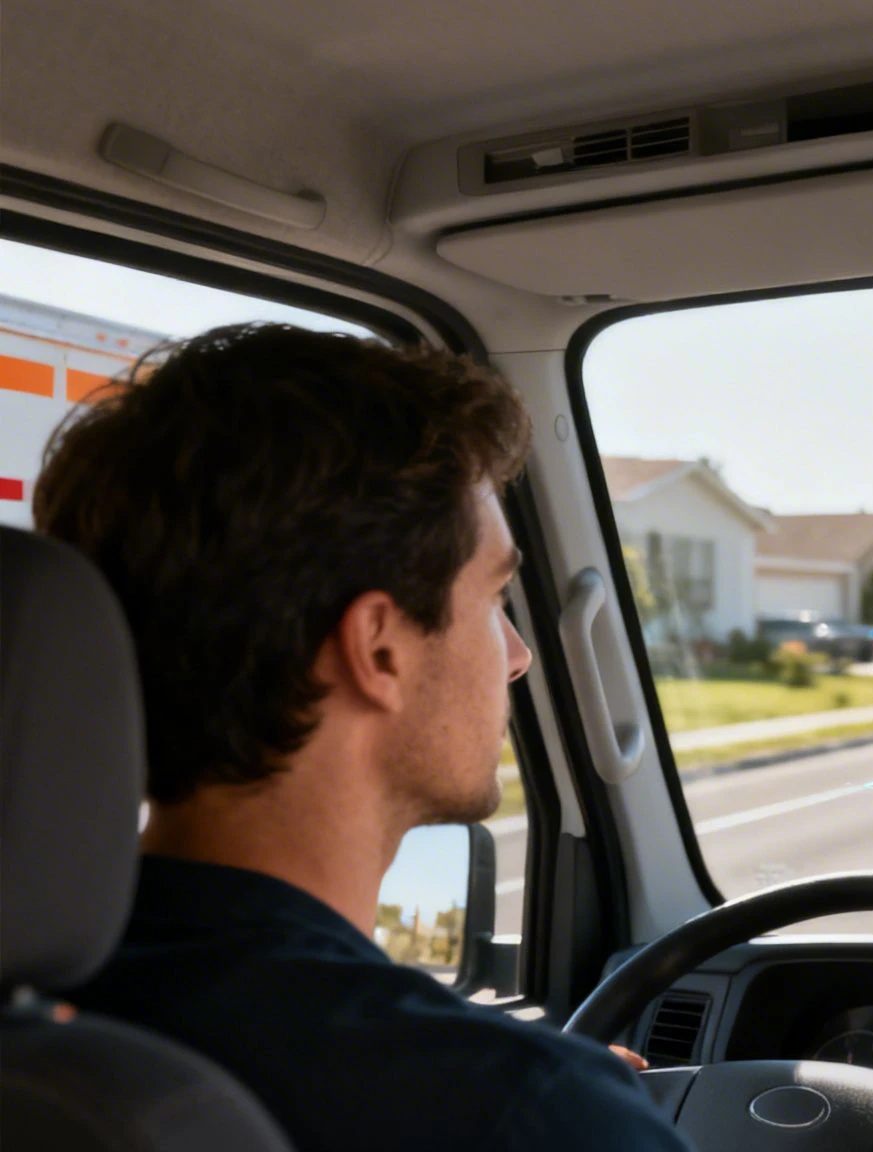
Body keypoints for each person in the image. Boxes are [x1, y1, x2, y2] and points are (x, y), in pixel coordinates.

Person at [36, 325, 690, 1152]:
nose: (519, 658)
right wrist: (568, 1108)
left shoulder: (52, 1016)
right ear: (378, 648)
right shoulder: (513, 1110)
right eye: (494, 600)